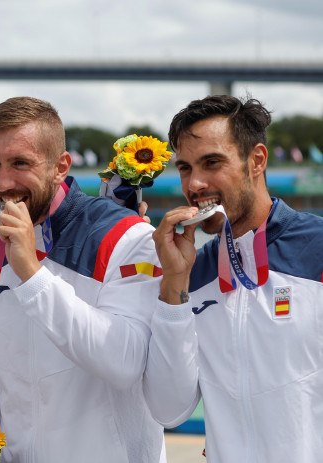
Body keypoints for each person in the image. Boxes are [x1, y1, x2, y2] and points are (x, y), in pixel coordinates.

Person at [0, 96, 166, 462]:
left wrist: (31, 275)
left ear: (61, 166)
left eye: (20, 163)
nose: (3, 182)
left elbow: (126, 364)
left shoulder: (125, 235)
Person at [143, 94, 323, 462]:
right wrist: (173, 284)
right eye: (184, 168)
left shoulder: (317, 246)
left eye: (212, 163)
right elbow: (168, 409)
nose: (195, 184)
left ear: (256, 160)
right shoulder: (192, 272)